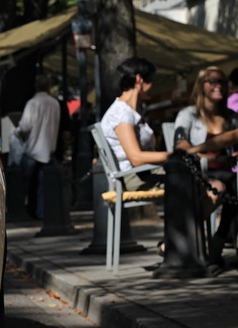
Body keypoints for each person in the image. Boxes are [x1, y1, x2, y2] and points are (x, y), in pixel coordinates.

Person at [174, 66, 238, 272]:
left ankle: (213, 251)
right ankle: (191, 243)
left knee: (233, 188)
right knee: (220, 187)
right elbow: (181, 147)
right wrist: (210, 155)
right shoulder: (189, 114)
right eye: (213, 82)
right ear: (201, 87)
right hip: (199, 174)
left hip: (229, 172)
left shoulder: (231, 116)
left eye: (222, 82)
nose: (219, 86)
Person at [100, 57, 169, 192]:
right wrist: (173, 156)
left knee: (192, 181)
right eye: (151, 80)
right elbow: (136, 158)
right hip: (132, 177)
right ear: (139, 80)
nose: (153, 86)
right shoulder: (122, 113)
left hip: (143, 173)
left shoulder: (129, 111)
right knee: (190, 184)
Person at [11, 74, 60, 220]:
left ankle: (31, 212)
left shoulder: (32, 103)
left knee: (29, 186)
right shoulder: (55, 103)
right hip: (49, 149)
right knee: (44, 186)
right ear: (49, 87)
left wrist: (16, 131)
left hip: (33, 150)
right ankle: (43, 212)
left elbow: (25, 126)